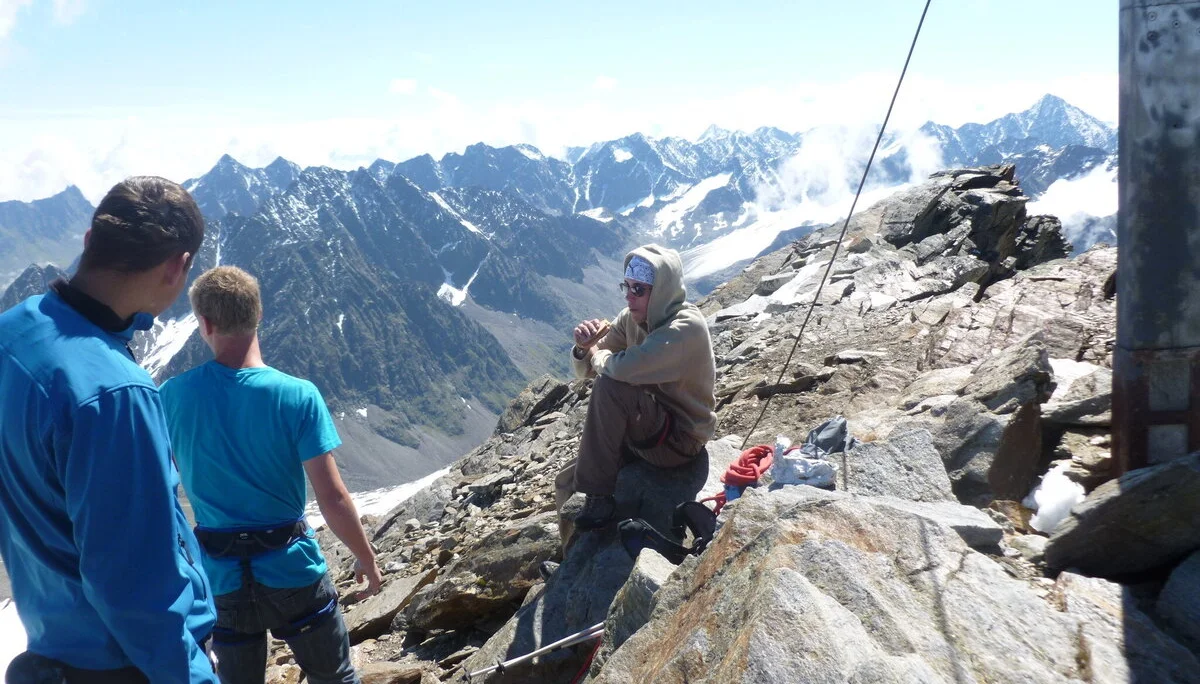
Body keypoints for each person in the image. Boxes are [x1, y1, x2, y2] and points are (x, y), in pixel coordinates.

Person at [0, 177, 217, 683]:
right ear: (177, 266)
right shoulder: (117, 395)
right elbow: (136, 586)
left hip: (52, 645)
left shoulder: (12, 331)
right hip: (122, 665)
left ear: (89, 240)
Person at [159, 265, 381, 684]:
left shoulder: (172, 395)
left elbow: (158, 484)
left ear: (204, 323)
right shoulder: (298, 395)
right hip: (293, 570)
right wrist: (365, 558)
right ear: (259, 315)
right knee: (334, 677)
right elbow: (332, 498)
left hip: (220, 577)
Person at [555, 245, 717, 530]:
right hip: (646, 427)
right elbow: (587, 370)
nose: (629, 298)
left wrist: (596, 353)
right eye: (626, 287)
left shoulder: (685, 328)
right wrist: (583, 349)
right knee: (567, 479)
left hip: (680, 440)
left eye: (639, 290)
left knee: (610, 385)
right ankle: (570, 560)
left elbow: (620, 369)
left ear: (661, 290)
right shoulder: (630, 318)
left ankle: (600, 499)